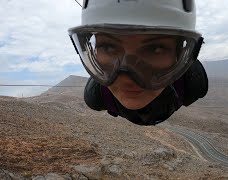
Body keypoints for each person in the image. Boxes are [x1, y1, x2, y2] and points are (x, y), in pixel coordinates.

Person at [69, 0, 208, 125]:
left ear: (180, 55)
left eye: (155, 49)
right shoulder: (96, 96)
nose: (127, 79)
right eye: (108, 47)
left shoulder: (193, 83)